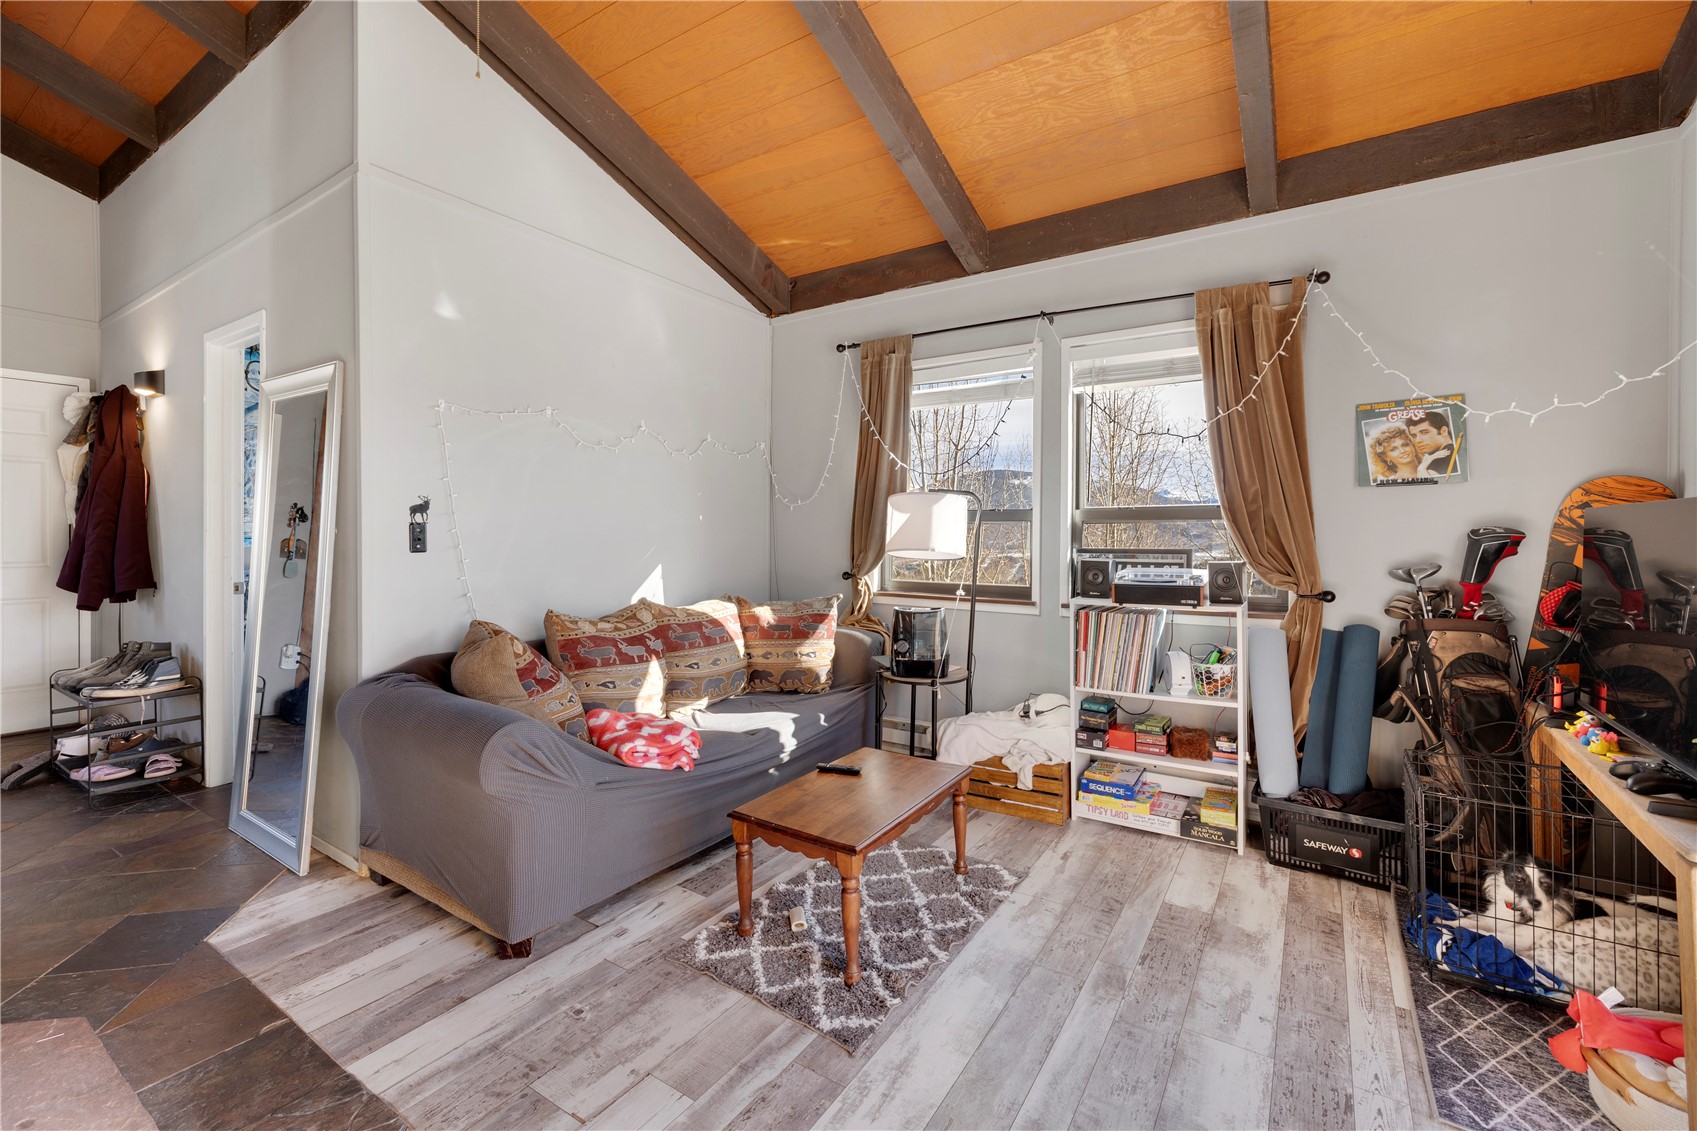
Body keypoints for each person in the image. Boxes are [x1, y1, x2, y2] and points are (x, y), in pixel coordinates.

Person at [1408, 410, 1458, 477]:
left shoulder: (1438, 462)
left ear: (1443, 431)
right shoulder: (1458, 452)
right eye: (1414, 436)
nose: (1417, 440)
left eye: (1424, 433)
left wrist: (1421, 469)